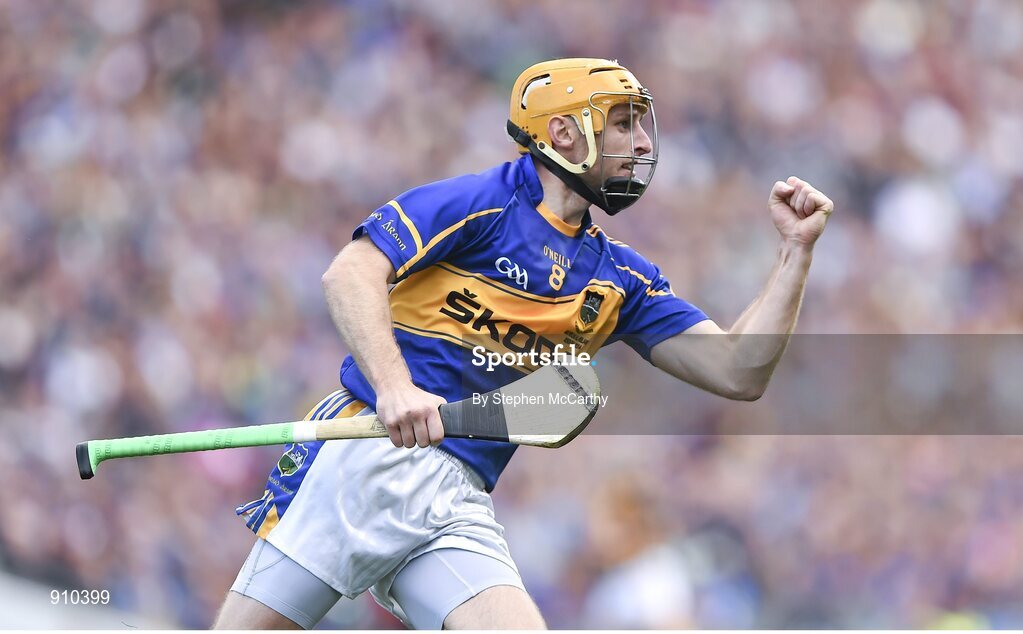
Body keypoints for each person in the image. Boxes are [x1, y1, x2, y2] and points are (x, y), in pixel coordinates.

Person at [213, 57, 834, 630]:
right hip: (363, 459)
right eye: (622, 124)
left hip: (457, 493)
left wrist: (794, 253)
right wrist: (394, 386)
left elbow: (737, 371)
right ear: (563, 134)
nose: (644, 143)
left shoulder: (619, 277)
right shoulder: (480, 204)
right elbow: (350, 272)